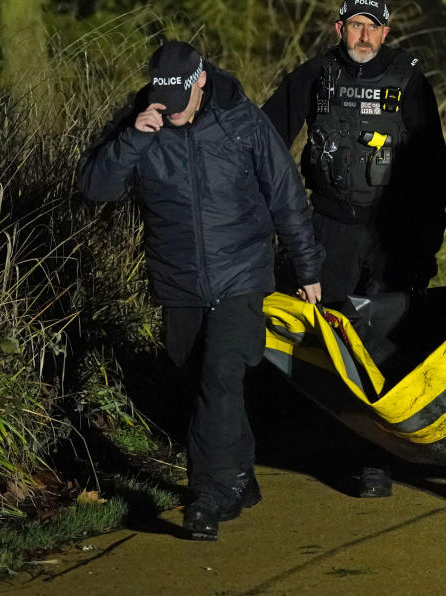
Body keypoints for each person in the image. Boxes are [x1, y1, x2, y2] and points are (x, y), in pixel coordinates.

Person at [77, 40, 324, 541]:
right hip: (178, 282)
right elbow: (93, 189)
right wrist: (132, 140)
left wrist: (307, 267)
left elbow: (286, 195)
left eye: (179, 99)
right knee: (204, 385)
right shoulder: (141, 122)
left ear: (201, 82)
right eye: (161, 98)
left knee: (220, 377)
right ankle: (240, 478)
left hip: (241, 275)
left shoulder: (241, 120)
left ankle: (206, 496)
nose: (171, 110)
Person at [263, 0, 446, 497]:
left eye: (373, 27)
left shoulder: (409, 79)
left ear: (386, 33)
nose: (363, 35)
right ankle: (325, 437)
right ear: (338, 28)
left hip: (394, 232)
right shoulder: (315, 76)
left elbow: (434, 169)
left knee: (384, 339)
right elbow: (263, 139)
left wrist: (426, 241)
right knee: (328, 333)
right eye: (355, 25)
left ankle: (377, 459)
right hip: (328, 228)